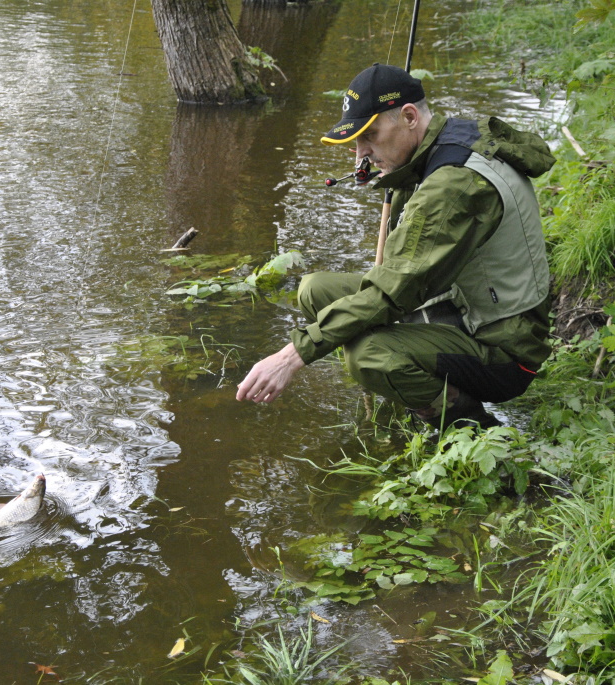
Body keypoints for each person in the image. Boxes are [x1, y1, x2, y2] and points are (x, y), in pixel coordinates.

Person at [235, 63, 555, 431]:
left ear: (408, 116)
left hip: (505, 348)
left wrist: (290, 357)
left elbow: (389, 292)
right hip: (460, 305)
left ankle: (471, 428)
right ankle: (414, 382)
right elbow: (401, 271)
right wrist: (397, 177)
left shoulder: (453, 186)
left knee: (367, 356)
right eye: (356, 142)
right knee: (314, 290)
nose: (361, 156)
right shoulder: (441, 142)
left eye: (369, 136)